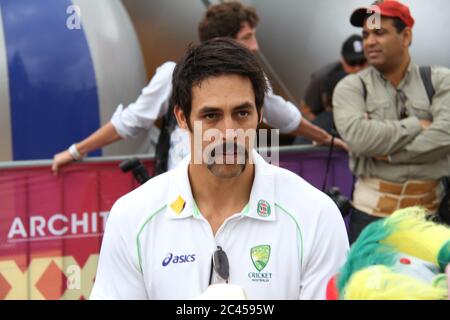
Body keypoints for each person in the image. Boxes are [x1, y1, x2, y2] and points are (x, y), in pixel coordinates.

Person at [90, 38, 349, 300]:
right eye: (211, 116)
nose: (229, 133)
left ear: (260, 114)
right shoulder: (132, 216)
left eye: (242, 113)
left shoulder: (316, 214)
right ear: (182, 117)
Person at [52, 1, 347, 176]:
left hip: (237, 190)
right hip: (184, 195)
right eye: (248, 38)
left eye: (242, 112)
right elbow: (131, 121)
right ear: (224, 41)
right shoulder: (173, 74)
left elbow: (285, 117)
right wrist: (76, 151)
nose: (256, 46)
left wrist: (326, 139)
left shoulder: (253, 79)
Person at [333, 0, 450, 244]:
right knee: (367, 283)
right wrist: (418, 125)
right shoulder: (352, 87)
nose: (369, 42)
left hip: (432, 216)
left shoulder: (440, 80)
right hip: (371, 219)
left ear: (406, 36)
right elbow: (358, 138)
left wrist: (386, 153)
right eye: (365, 34)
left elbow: (445, 134)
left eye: (379, 32)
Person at [296, 35, 367, 145]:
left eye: (362, 62)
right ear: (342, 60)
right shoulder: (322, 78)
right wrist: (323, 132)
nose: (357, 68)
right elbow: (306, 108)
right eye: (352, 63)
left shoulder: (376, 75)